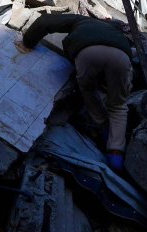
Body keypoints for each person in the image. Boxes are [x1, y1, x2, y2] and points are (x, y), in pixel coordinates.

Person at [19, 13, 134, 173]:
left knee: (88, 91)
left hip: (87, 52)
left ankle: (102, 128)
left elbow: (45, 21)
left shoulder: (81, 20)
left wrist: (28, 42)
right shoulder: (116, 33)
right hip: (121, 56)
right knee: (118, 105)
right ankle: (116, 154)